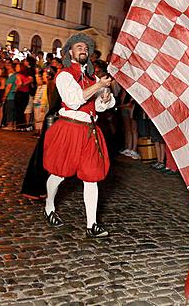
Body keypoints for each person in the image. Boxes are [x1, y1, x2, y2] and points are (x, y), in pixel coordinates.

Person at [42, 33, 115, 238]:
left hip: (90, 131)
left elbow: (100, 107)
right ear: (70, 52)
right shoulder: (65, 75)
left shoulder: (92, 78)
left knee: (91, 177)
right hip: (69, 128)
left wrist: (105, 95)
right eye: (79, 47)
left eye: (86, 48)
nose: (83, 50)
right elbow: (73, 100)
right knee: (59, 173)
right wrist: (98, 86)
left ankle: (92, 224)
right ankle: (49, 206)